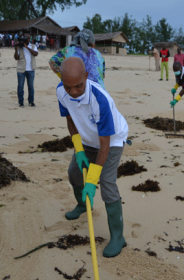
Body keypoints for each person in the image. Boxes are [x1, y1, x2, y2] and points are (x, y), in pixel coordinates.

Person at [57, 57, 128, 258]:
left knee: (106, 182)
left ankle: (117, 236)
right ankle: (82, 204)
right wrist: (79, 150)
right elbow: (70, 120)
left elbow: (104, 144)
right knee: (73, 172)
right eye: (68, 87)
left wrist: (92, 180)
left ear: (86, 77)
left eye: (78, 86)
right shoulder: (62, 92)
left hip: (112, 139)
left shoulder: (99, 99)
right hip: (87, 138)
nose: (73, 92)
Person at [14, 33, 38, 107]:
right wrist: (16, 48)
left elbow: (36, 54)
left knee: (31, 86)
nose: (27, 40)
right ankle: (21, 102)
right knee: (20, 86)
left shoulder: (33, 46)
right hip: (21, 69)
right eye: (26, 38)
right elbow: (16, 58)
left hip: (30, 69)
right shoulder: (20, 47)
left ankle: (31, 102)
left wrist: (27, 47)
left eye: (28, 38)